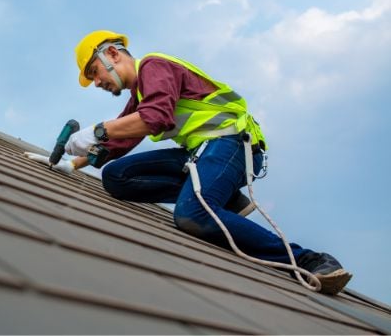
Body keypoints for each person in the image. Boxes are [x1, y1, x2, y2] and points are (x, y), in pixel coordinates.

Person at [57, 30, 351, 294]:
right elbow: (120, 139)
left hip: (230, 145)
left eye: (95, 72)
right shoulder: (140, 92)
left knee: (192, 215)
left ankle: (310, 260)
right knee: (116, 177)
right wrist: (72, 164)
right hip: (203, 153)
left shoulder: (154, 66)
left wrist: (98, 130)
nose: (97, 82)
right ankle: (224, 199)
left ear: (112, 54)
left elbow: (154, 118)